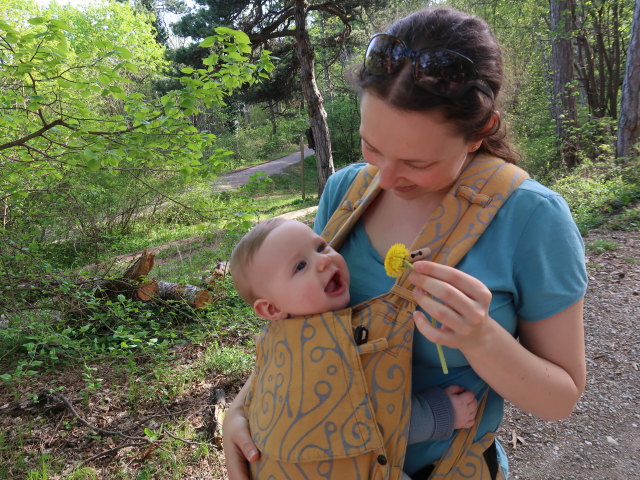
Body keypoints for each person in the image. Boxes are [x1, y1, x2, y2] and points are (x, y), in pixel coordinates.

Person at [223, 6, 587, 480]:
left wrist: (480, 338)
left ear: (479, 134)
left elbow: (561, 398)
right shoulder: (345, 191)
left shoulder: (532, 218)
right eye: (371, 147)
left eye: (416, 163)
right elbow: (303, 328)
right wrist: (241, 407)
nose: (387, 178)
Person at [229, 217, 479, 479]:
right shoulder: (326, 350)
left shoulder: (273, 341)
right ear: (272, 309)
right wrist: (442, 412)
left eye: (321, 247)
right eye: (300, 266)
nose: (323, 260)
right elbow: (372, 421)